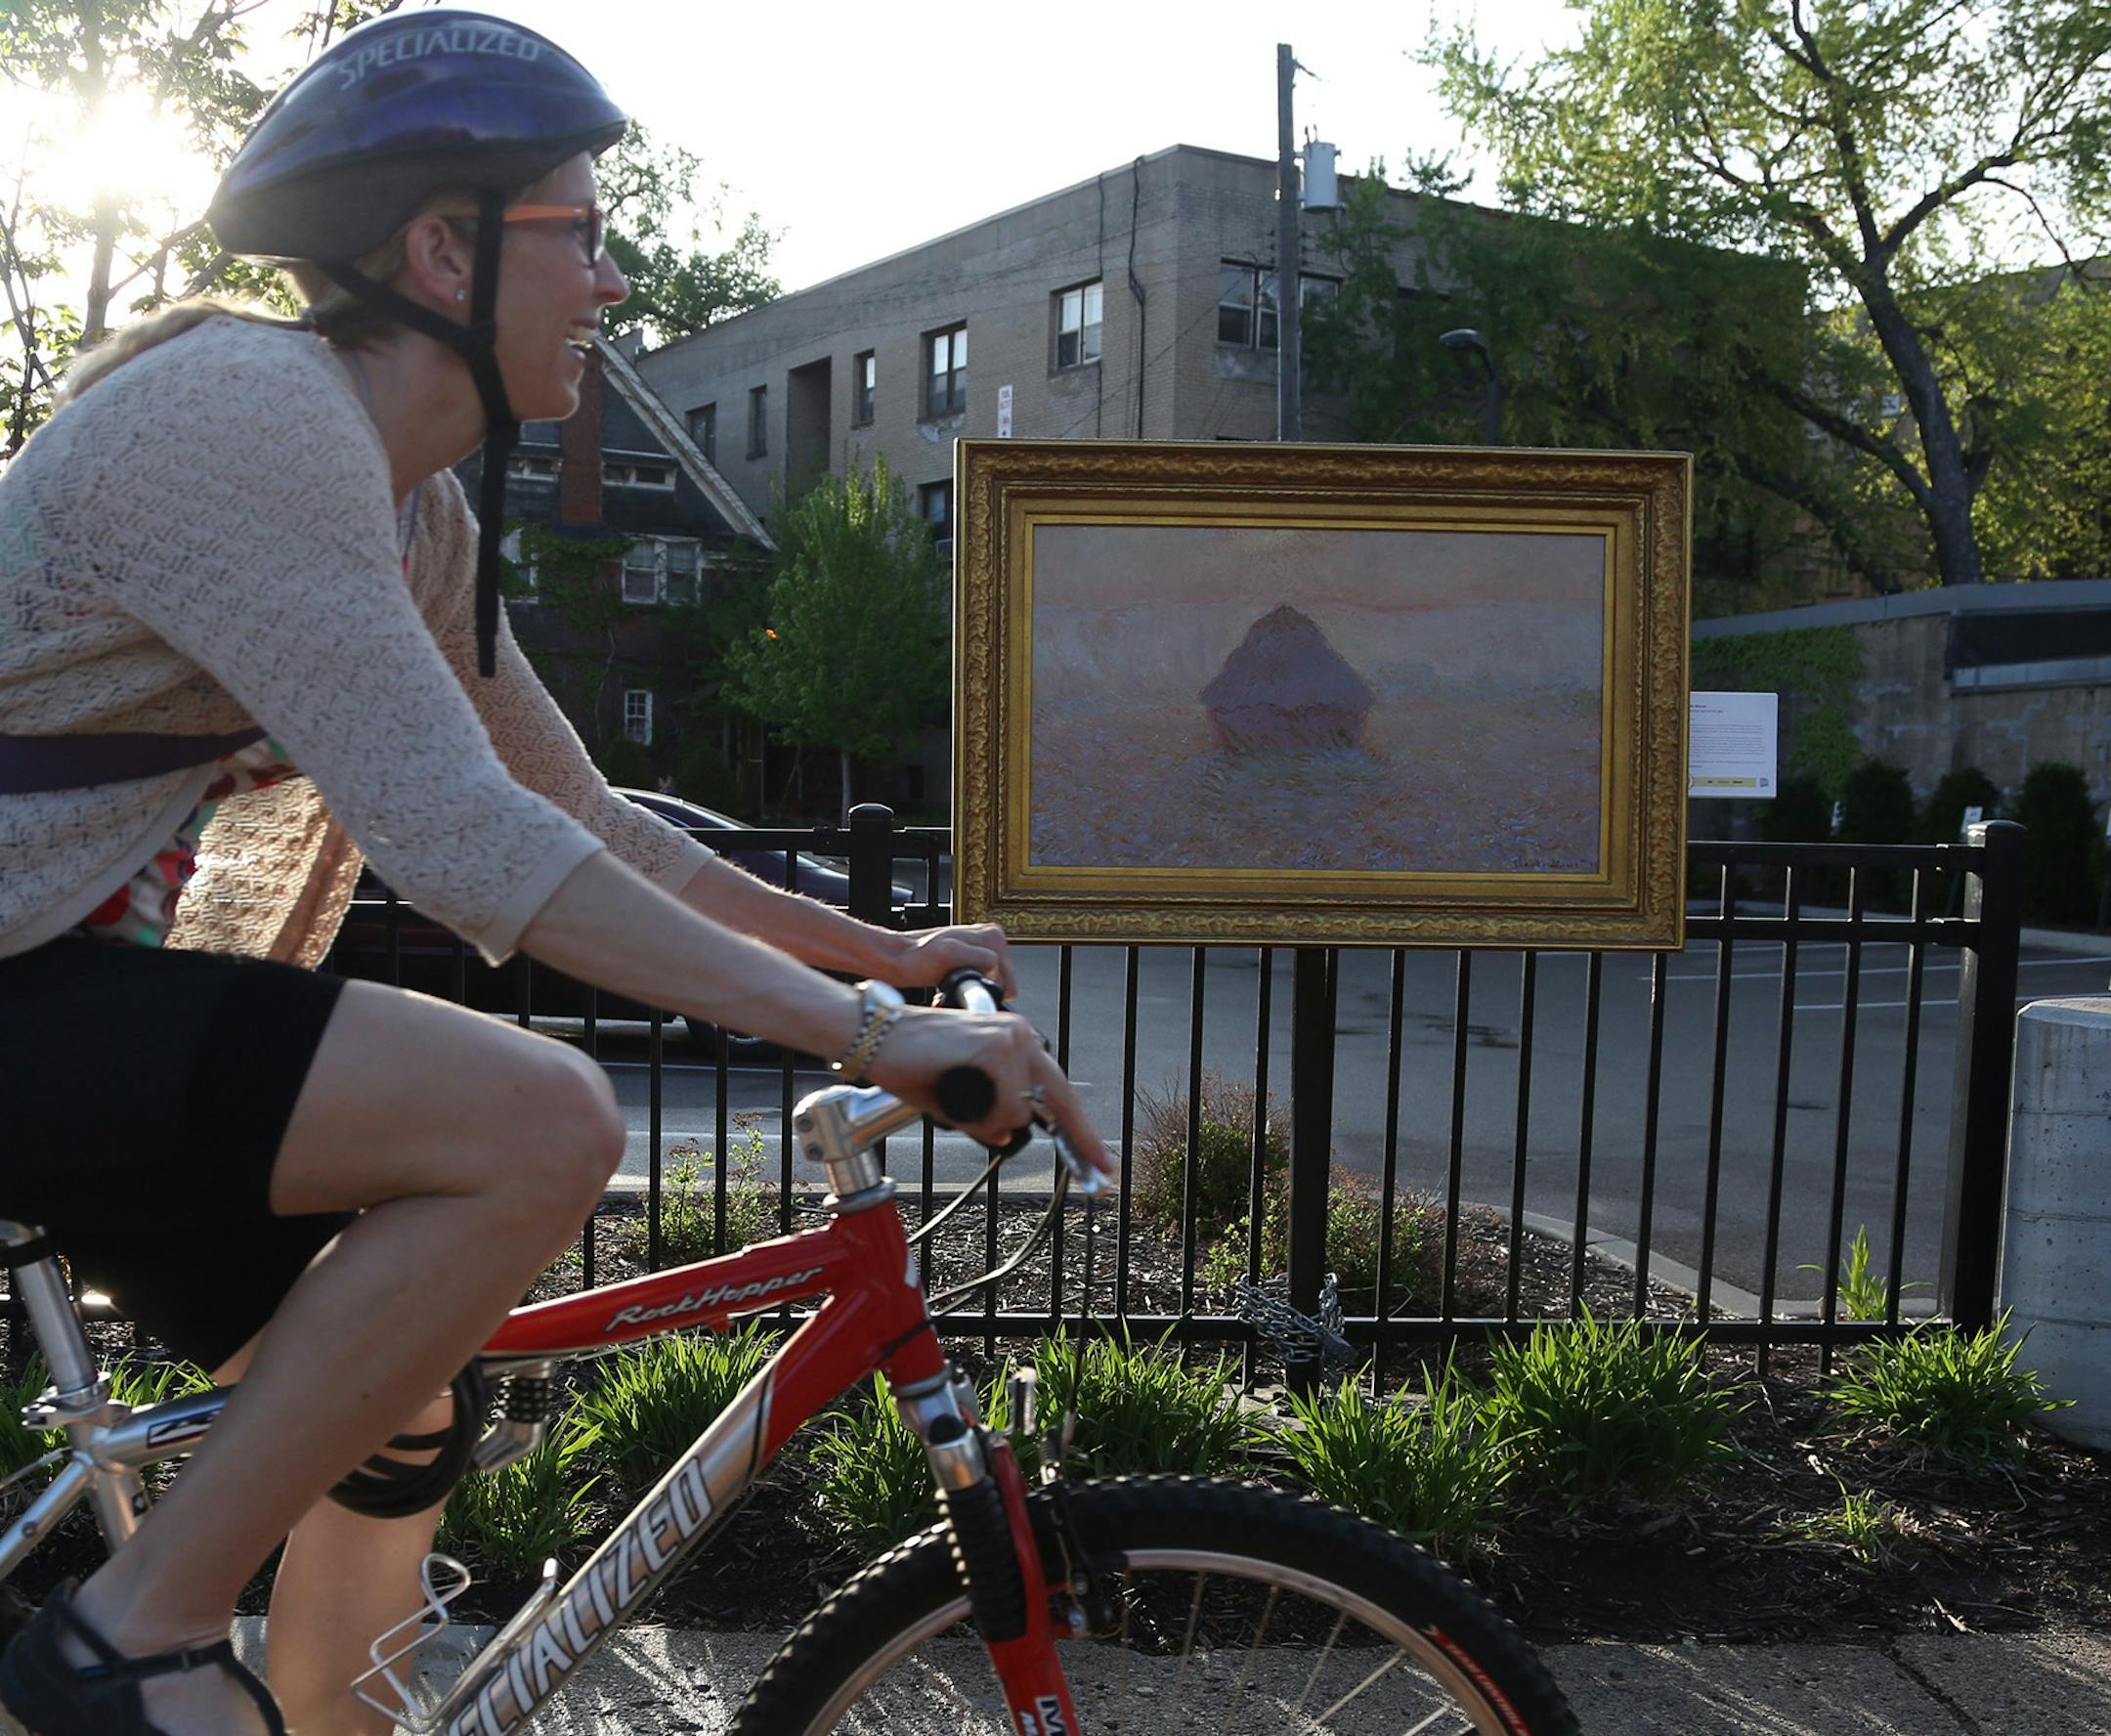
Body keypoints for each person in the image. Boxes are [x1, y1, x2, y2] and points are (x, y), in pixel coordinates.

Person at [0, 12, 1108, 1735]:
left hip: (65, 996)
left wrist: (877, 959)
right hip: (20, 997)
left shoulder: (413, 507)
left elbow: (581, 816)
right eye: (580, 236)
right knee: (541, 1118)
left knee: (394, 1435)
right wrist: (863, 1041)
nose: (610, 283)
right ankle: (129, 1638)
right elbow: (464, 845)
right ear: (442, 249)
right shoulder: (253, 412)